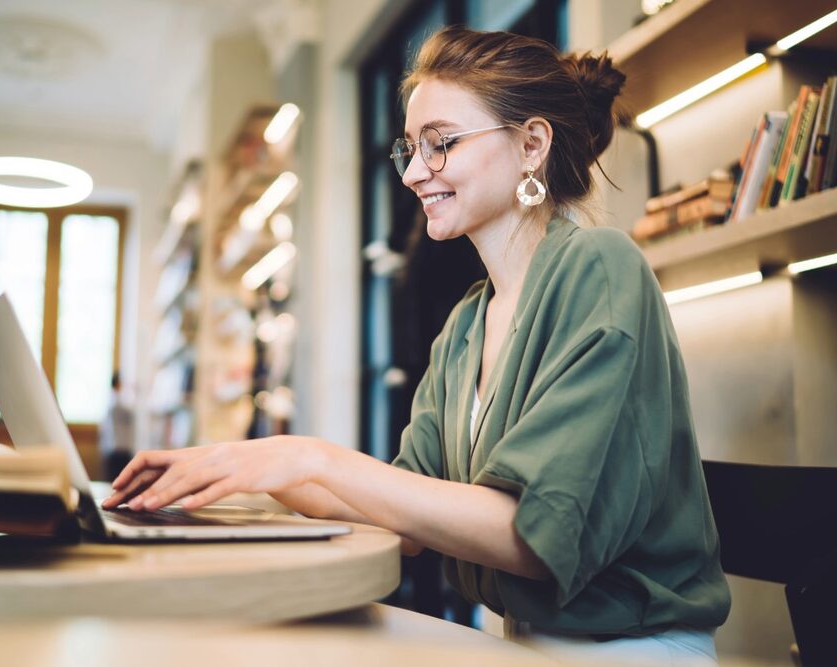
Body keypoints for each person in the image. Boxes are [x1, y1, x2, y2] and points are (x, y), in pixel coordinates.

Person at [104, 26, 730, 663]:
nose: (413, 175)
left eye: (442, 145)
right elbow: (402, 518)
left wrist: (313, 458)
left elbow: (532, 539)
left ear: (531, 145)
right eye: (411, 150)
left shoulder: (600, 266)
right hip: (524, 642)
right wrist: (244, 474)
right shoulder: (465, 326)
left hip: (636, 649)